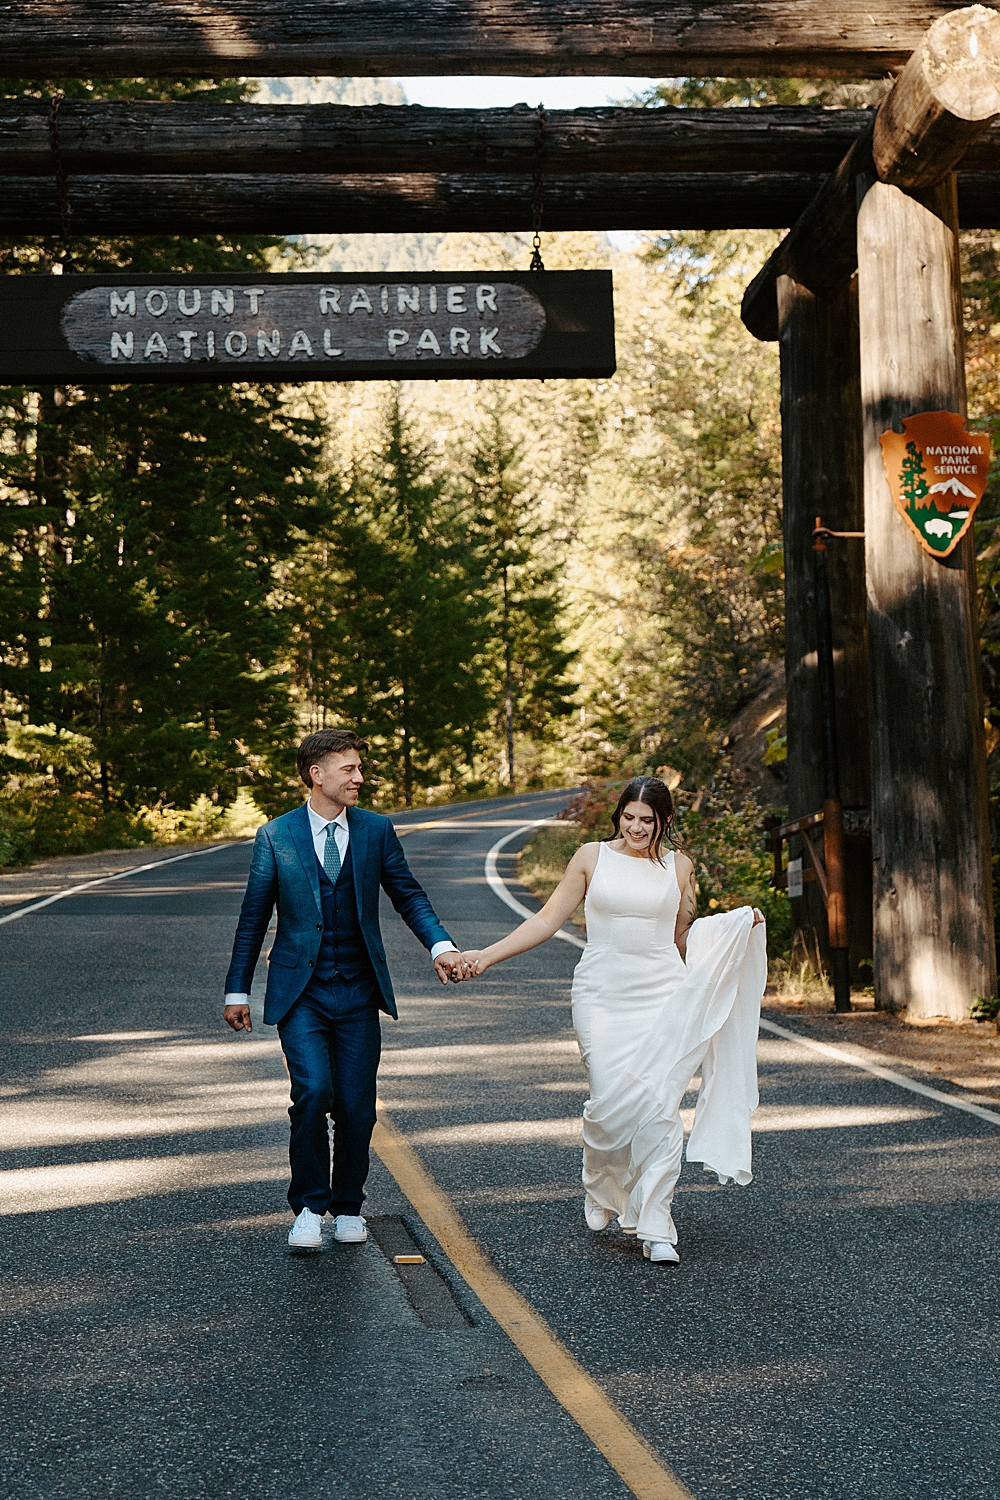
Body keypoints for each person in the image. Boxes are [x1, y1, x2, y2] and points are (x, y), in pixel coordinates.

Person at [460, 776, 766, 1265]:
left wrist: (733, 929)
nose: (637, 828)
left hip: (662, 994)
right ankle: (601, 1184)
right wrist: (486, 956)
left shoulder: (679, 867)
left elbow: (682, 940)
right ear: (618, 816)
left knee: (660, 1107)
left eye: (647, 820)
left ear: (664, 822)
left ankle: (656, 1223)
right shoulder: (590, 857)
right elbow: (545, 920)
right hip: (601, 993)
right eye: (629, 817)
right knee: (608, 1101)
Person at [223, 729, 466, 1252]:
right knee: (312, 1094)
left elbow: (408, 895)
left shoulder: (376, 832)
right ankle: (310, 1207)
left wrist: (440, 945)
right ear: (317, 774)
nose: (359, 778)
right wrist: (237, 990)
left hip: (357, 989)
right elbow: (253, 918)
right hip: (301, 992)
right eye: (349, 769)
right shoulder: (276, 836)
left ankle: (349, 1205)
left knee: (357, 1105)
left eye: (359, 768)